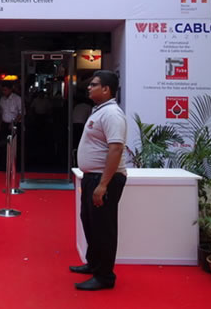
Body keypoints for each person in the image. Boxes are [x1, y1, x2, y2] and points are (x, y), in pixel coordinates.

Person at [70, 70, 127, 291]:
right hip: (92, 177)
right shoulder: (100, 110)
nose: (89, 87)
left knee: (103, 227)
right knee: (90, 222)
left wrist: (103, 184)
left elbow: (116, 149)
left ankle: (104, 276)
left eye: (94, 84)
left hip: (104, 179)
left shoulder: (112, 113)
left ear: (106, 89)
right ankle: (94, 264)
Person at [0, 83, 22, 165]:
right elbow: (1, 112)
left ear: (10, 90)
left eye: (5, 90)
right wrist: (0, 124)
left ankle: (14, 163)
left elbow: (22, 112)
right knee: (3, 144)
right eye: (3, 90)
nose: (4, 92)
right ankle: (4, 163)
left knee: (14, 145)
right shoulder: (2, 99)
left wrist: (14, 123)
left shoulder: (17, 99)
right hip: (4, 124)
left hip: (14, 124)